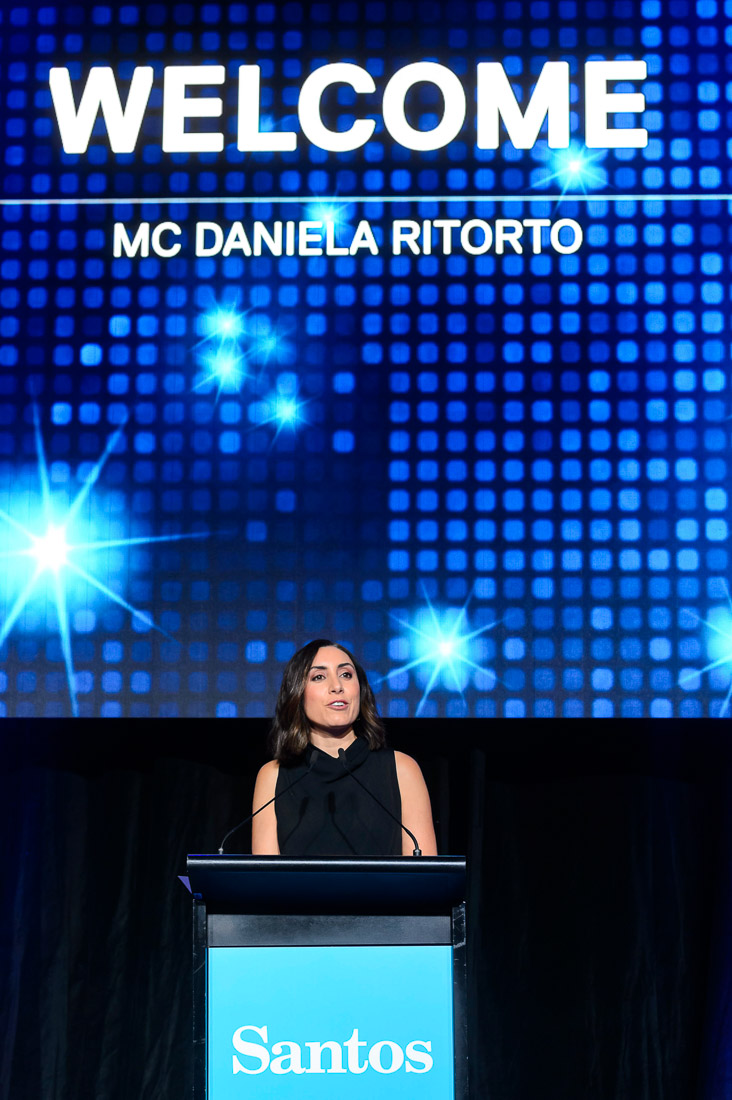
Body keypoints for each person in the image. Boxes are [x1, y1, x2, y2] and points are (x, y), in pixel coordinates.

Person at [251, 638, 438, 856]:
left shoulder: (401, 769)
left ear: (361, 690)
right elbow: (266, 874)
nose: (337, 686)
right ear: (297, 694)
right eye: (319, 677)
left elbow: (423, 872)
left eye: (346, 675)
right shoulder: (273, 775)